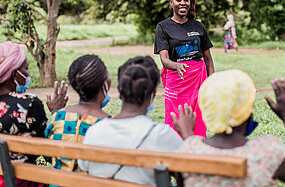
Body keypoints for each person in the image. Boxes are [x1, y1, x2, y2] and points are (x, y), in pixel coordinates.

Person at [173, 69, 285, 186]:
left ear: (207, 111)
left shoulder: (187, 150)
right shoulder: (267, 152)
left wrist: (188, 136)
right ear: (248, 112)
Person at [78, 56, 195, 185]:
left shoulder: (95, 131)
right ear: (152, 94)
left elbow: (85, 167)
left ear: (120, 92)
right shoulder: (162, 135)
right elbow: (190, 177)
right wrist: (187, 133)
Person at [0, 41, 68, 186]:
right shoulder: (27, 104)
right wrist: (56, 113)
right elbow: (49, 155)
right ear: (14, 74)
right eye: (26, 69)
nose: (28, 74)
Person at [154, 0, 214, 137]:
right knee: (174, 116)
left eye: (186, 0)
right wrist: (177, 66)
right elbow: (164, 59)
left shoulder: (198, 26)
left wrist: (211, 81)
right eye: (178, 0)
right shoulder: (163, 27)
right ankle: (175, 148)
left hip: (198, 79)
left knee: (198, 115)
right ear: (171, 2)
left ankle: (197, 145)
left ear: (190, 3)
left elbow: (208, 58)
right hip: (177, 80)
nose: (182, 3)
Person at [45, 55, 111, 172]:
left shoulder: (58, 117)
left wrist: (56, 112)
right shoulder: (110, 125)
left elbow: (49, 156)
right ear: (105, 84)